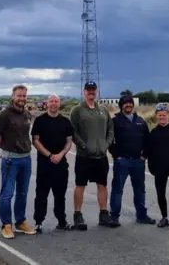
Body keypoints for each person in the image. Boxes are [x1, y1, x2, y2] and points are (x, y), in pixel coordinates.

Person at [69, 81, 117, 229]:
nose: (91, 92)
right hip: (84, 156)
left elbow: (110, 129)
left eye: (93, 90)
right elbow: (73, 131)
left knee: (102, 185)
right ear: (84, 92)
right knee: (80, 185)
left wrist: (106, 144)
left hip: (101, 156)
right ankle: (78, 215)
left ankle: (104, 215)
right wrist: (83, 145)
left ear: (96, 91)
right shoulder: (77, 110)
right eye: (88, 90)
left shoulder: (103, 110)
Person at [0, 84, 36, 239]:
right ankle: (6, 225)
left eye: (24, 96)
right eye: (19, 96)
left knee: (22, 193)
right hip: (11, 160)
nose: (22, 98)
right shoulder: (4, 115)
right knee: (7, 194)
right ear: (13, 96)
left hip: (26, 158)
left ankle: (20, 222)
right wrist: (6, 149)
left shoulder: (26, 114)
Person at [108, 95, 156, 226]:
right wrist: (115, 155)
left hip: (138, 162)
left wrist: (144, 156)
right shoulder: (115, 121)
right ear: (121, 106)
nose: (128, 105)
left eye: (130, 103)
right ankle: (114, 217)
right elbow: (109, 139)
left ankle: (141, 215)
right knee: (117, 189)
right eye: (125, 103)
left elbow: (148, 140)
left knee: (140, 189)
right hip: (122, 161)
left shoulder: (140, 121)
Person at [31, 94, 74, 233]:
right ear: (46, 104)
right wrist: (49, 155)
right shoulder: (39, 120)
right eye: (51, 101)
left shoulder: (66, 122)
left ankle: (62, 221)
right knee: (41, 195)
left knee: (60, 195)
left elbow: (69, 141)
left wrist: (60, 155)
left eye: (56, 101)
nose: (54, 104)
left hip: (61, 164)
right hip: (44, 164)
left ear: (59, 103)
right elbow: (35, 140)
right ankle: (38, 222)